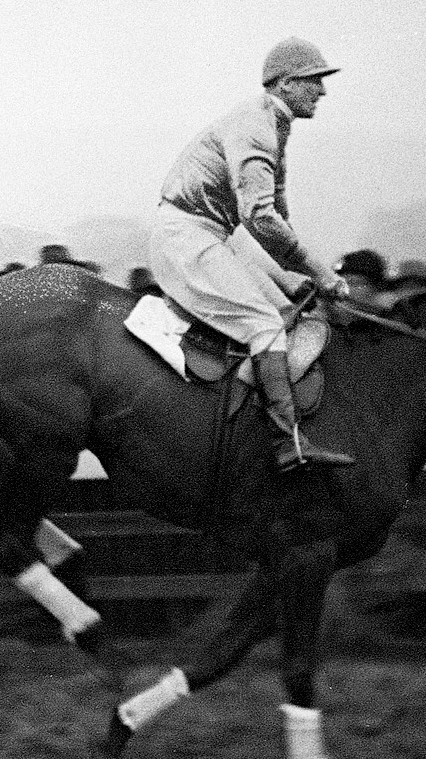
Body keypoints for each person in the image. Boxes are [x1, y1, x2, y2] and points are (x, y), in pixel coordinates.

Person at [149, 38, 353, 471]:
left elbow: (276, 214)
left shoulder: (274, 125)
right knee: (264, 325)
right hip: (188, 233)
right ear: (285, 83)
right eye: (314, 81)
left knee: (288, 308)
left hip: (220, 231)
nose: (322, 90)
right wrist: (320, 270)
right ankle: (286, 444)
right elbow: (259, 217)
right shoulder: (255, 126)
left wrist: (294, 276)